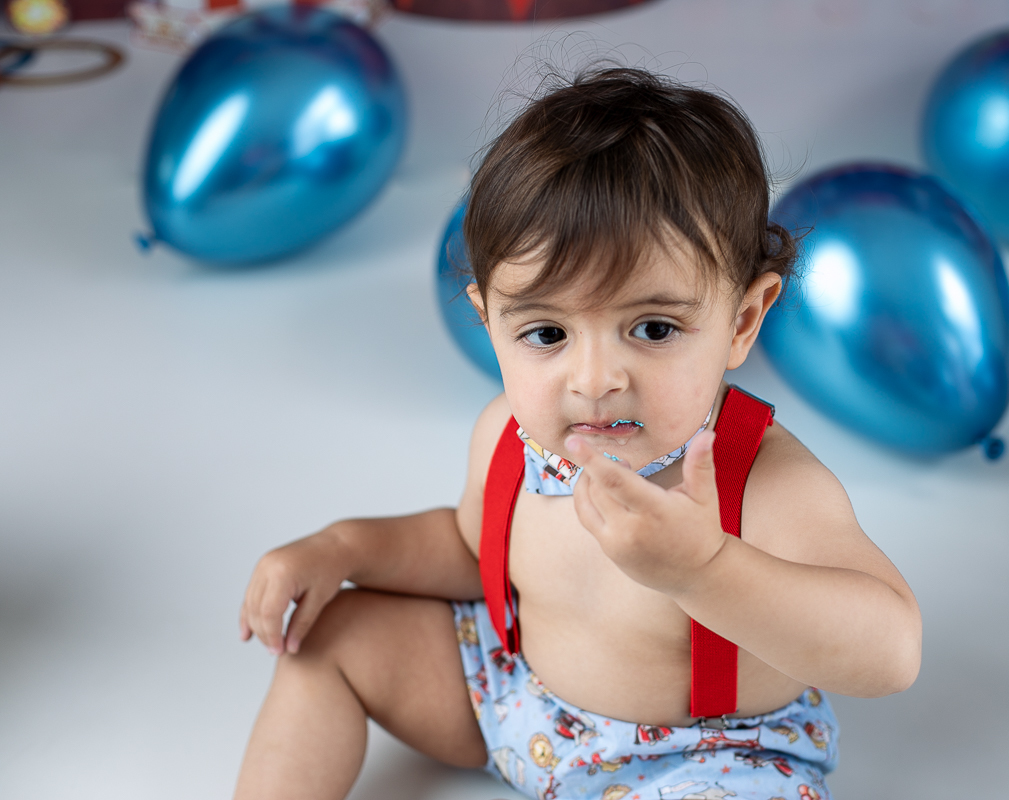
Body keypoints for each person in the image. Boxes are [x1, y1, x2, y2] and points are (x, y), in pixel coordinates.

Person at [233, 65, 922, 800]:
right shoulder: (508, 434)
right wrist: (342, 548)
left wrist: (706, 569)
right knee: (331, 635)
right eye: (547, 332)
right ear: (488, 321)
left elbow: (890, 652)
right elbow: (473, 551)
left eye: (653, 328)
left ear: (743, 321)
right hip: (514, 699)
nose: (594, 379)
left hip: (700, 760)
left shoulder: (764, 484)